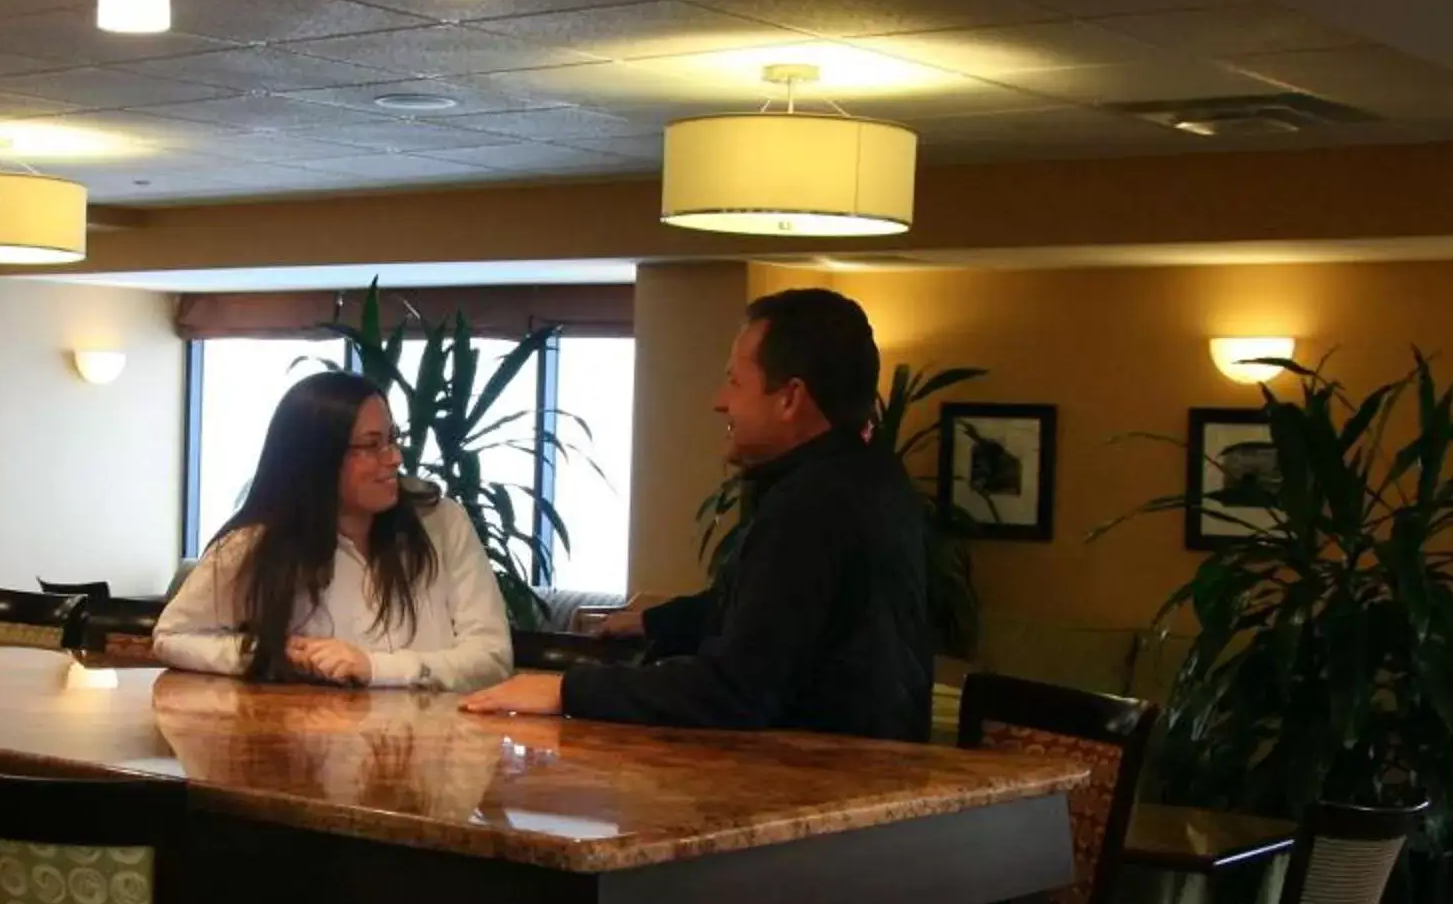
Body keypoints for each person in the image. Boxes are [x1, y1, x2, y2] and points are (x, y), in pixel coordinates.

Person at [461, 287, 933, 732]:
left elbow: (736, 689)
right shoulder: (875, 480)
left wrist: (567, 689)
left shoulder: (810, 505)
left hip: (825, 786)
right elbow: (776, 611)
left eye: (734, 381)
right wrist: (655, 622)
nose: (719, 401)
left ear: (790, 397)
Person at [156, 371, 514, 694]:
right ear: (317, 458)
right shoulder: (258, 542)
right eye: (371, 445)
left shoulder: (441, 521)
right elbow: (172, 636)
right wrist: (267, 654)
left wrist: (374, 668)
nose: (394, 458)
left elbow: (491, 657)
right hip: (314, 754)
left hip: (440, 751)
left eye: (392, 438)